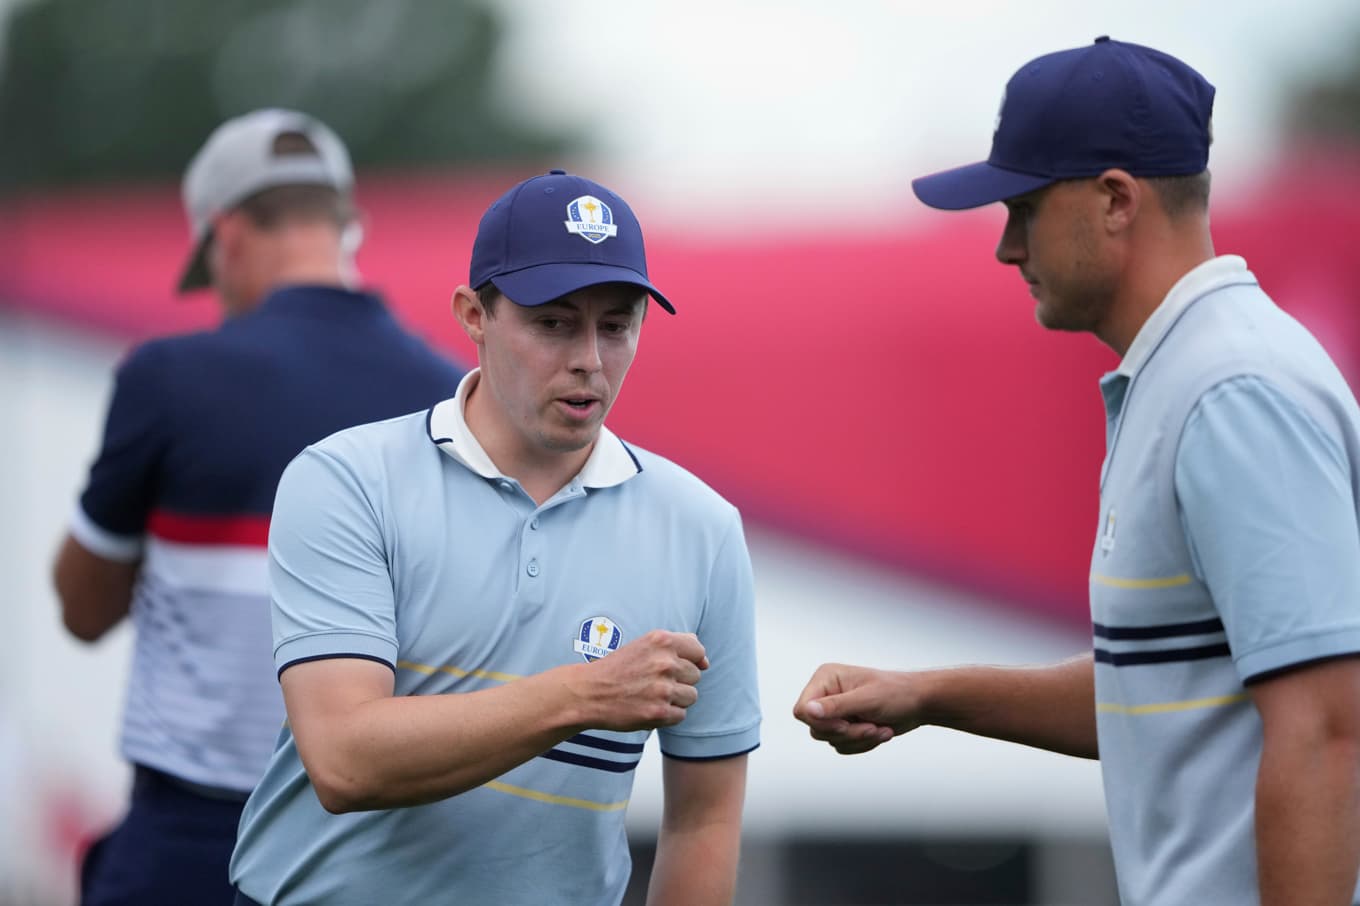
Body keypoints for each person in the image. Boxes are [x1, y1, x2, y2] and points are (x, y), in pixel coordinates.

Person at [794, 36, 1360, 906]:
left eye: (1023, 206)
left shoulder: (1232, 389)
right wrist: (926, 694)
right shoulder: (1191, 374)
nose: (1006, 247)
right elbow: (1161, 690)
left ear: (1115, 200)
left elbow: (1327, 730)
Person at [227, 169, 761, 906]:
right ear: (473, 314)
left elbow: (704, 820)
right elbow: (345, 762)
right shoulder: (347, 479)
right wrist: (585, 693)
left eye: (617, 323)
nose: (590, 359)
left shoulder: (703, 527)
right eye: (554, 322)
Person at [53, 108, 466, 906]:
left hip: (195, 837)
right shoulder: (448, 396)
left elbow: (82, 608)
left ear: (226, 233)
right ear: (349, 227)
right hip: (373, 837)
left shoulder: (166, 378)